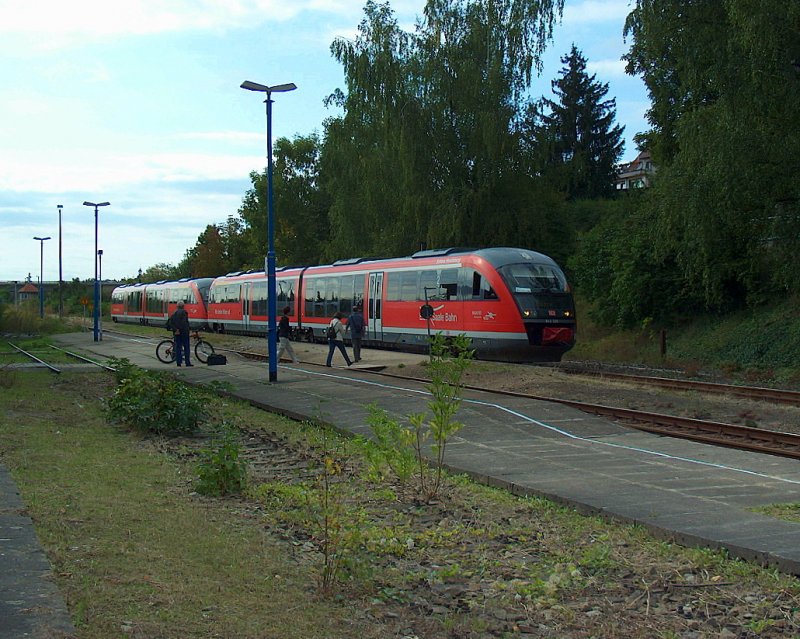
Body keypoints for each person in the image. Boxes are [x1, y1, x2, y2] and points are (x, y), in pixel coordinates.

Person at [167, 300, 192, 367]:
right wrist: (187, 328)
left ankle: (178, 362)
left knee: (178, 347)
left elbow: (170, 323)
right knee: (186, 347)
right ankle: (187, 362)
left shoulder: (174, 313)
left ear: (177, 306)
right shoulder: (184, 312)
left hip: (177, 333)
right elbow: (184, 323)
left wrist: (176, 329)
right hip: (184, 333)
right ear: (183, 306)